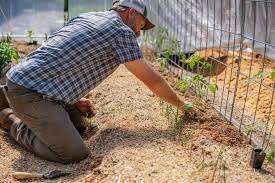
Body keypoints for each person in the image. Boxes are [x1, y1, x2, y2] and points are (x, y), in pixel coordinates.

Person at [0, 0, 190, 164]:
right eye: (141, 25)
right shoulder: (121, 31)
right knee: (74, 153)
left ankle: (18, 103)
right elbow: (153, 81)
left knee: (81, 127)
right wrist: (183, 105)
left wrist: (74, 99)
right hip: (31, 92)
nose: (140, 32)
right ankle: (11, 120)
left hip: (29, 82)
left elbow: (60, 59)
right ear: (131, 12)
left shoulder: (87, 17)